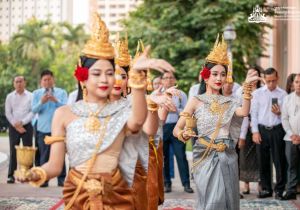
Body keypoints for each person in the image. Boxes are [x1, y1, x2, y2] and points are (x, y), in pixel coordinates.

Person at [17, 13, 174, 210]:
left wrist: (139, 83)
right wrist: (34, 173)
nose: (106, 79)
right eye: (97, 73)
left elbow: (139, 122)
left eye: (110, 73)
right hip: (78, 194)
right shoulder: (64, 114)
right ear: (83, 77)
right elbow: (55, 166)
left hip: (115, 194)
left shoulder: (121, 111)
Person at [173, 34, 259, 210]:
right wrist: (183, 133)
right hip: (204, 155)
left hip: (227, 155)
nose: (219, 78)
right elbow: (177, 129)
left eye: (223, 74)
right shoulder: (196, 100)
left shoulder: (231, 101)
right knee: (212, 200)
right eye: (214, 74)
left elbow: (244, 111)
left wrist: (247, 89)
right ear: (205, 76)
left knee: (226, 198)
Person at [251, 67, 287, 199]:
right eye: (268, 81)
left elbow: (287, 115)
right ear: (264, 80)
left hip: (277, 130)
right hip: (262, 130)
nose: (271, 84)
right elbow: (253, 114)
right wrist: (255, 132)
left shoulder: (283, 94)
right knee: (263, 161)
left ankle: (279, 190)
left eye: (273, 80)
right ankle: (266, 188)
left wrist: (280, 112)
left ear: (277, 78)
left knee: (279, 161)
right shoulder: (258, 94)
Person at [31, 70, 67, 187]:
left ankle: (61, 180)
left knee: (60, 154)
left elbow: (66, 108)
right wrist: (41, 102)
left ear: (53, 80)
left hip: (58, 129)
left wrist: (55, 101)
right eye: (45, 80)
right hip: (43, 129)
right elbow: (33, 110)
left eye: (49, 79)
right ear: (41, 82)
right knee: (44, 155)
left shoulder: (61, 92)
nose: (47, 82)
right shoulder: (36, 94)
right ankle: (43, 179)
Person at [161, 71, 193, 193]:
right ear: (162, 80)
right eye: (166, 78)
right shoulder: (157, 94)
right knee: (164, 157)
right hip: (162, 127)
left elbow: (187, 112)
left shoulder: (181, 95)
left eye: (171, 78)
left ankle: (186, 184)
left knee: (181, 156)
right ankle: (166, 183)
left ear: (174, 80)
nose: (168, 80)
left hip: (177, 127)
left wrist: (176, 110)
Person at [238, 65, 263, 194]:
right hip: (244, 128)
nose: (253, 77)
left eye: (255, 74)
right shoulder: (241, 91)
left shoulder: (262, 90)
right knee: (244, 156)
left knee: (260, 156)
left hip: (259, 127)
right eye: (250, 74)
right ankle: (246, 183)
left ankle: (260, 182)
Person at [5, 76, 34, 184]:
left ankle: (30, 175)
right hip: (13, 126)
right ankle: (10, 175)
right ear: (14, 83)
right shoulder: (9, 97)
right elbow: (8, 112)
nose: (19, 84)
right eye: (16, 82)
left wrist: (22, 123)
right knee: (13, 151)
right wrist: (16, 125)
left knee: (28, 151)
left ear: (24, 83)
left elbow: (32, 112)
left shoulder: (31, 96)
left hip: (26, 126)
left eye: (21, 81)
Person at [281, 73, 300, 200]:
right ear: (293, 83)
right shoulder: (287, 99)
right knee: (291, 166)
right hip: (290, 138)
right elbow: (284, 118)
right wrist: (292, 135)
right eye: (297, 82)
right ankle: (291, 191)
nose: (299, 84)